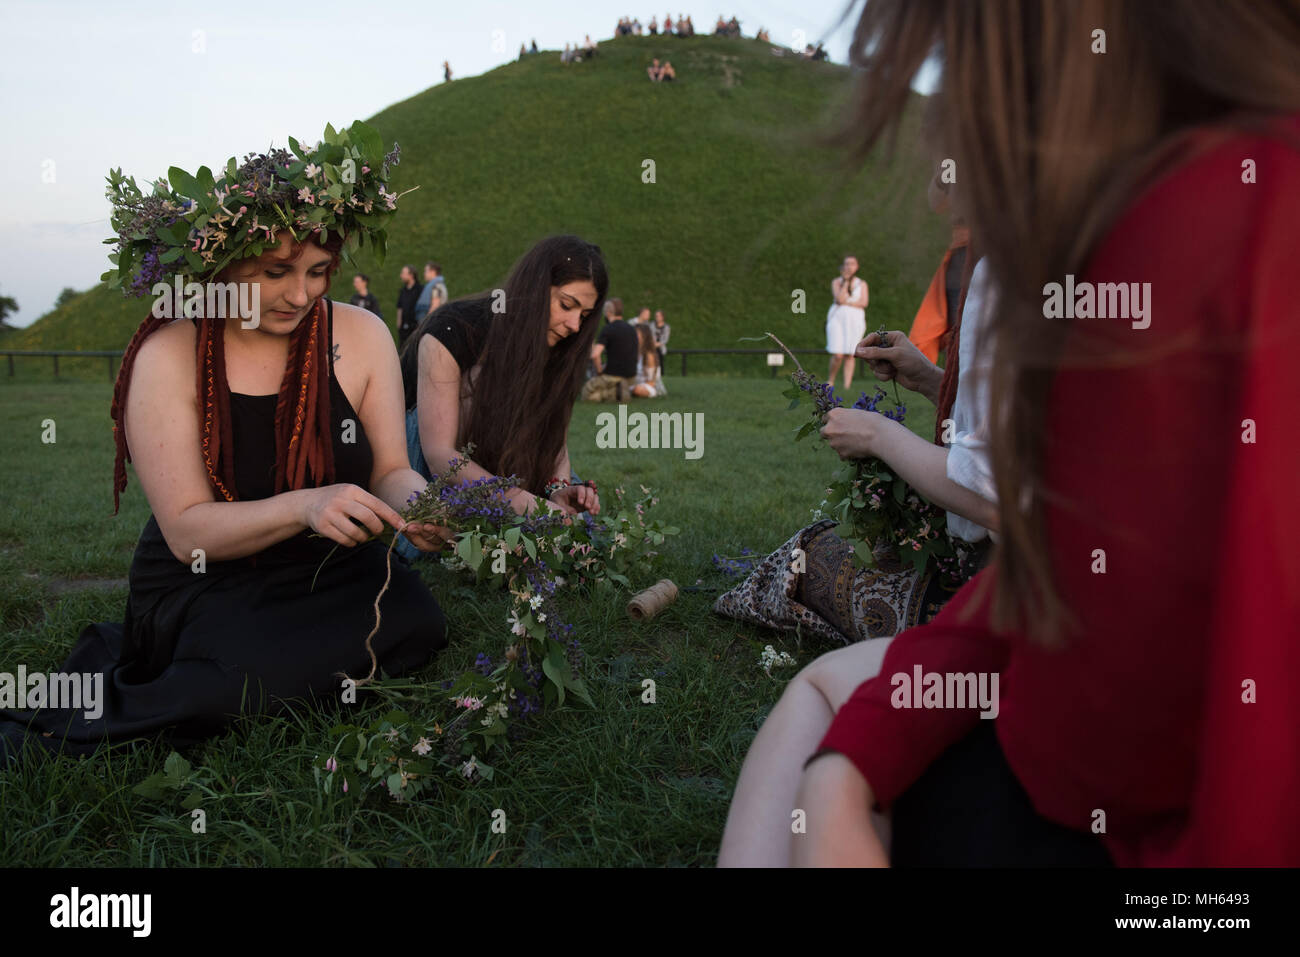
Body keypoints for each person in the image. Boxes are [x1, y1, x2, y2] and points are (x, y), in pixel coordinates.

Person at [721, 0, 1300, 868]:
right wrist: (855, 763)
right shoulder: (1179, 210)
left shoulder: (1188, 230)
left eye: (956, 57)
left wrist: (881, 442)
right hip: (1026, 681)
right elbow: (1063, 560)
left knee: (808, 605)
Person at [0, 126, 451, 767]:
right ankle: (133, 709)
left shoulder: (364, 334)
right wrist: (305, 505)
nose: (302, 294)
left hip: (322, 566)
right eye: (276, 272)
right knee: (237, 674)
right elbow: (187, 533)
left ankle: (277, 670)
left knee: (416, 616)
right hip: (205, 577)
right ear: (223, 265)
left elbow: (389, 471)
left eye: (319, 271)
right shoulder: (172, 351)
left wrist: (426, 506)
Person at [399, 235, 605, 549]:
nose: (575, 325)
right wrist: (520, 501)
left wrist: (557, 488)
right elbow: (440, 455)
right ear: (535, 288)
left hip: (500, 468)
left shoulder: (560, 347)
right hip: (426, 462)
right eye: (567, 305)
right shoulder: (454, 329)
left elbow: (555, 434)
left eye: (585, 315)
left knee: (575, 530)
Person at [825, 254, 868, 390]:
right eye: (847, 264)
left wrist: (847, 302)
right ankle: (831, 380)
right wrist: (846, 282)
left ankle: (847, 386)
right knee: (837, 353)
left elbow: (864, 302)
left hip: (855, 320)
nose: (849, 266)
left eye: (852, 264)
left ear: (857, 266)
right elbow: (839, 299)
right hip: (837, 318)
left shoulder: (862, 284)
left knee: (850, 353)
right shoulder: (836, 282)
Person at [583, 301, 638, 403]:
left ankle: (612, 393)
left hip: (613, 375)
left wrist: (599, 372)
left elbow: (595, 355)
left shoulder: (608, 329)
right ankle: (619, 390)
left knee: (587, 392)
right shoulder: (632, 329)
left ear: (608, 312)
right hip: (631, 376)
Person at [631, 323, 667, 398]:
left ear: (644, 336)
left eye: (636, 334)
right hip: (635, 384)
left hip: (649, 386)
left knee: (637, 390)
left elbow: (652, 382)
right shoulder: (633, 352)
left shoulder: (649, 355)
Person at [395, 264, 422, 347]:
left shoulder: (420, 289)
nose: (401, 275)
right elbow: (400, 307)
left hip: (415, 326)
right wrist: (399, 323)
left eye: (403, 273)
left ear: (411, 275)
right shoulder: (403, 290)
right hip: (403, 328)